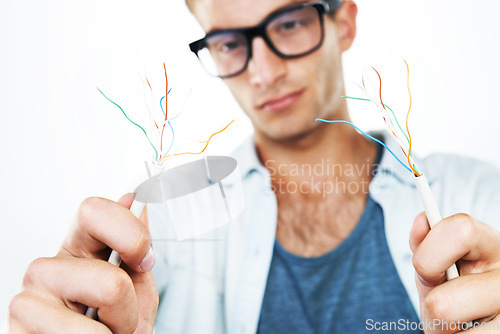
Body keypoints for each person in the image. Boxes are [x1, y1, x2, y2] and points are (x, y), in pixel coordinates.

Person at [6, 0, 500, 333]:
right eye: (228, 43)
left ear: (343, 22)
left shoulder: (481, 203)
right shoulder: (163, 235)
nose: (263, 73)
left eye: (288, 23)